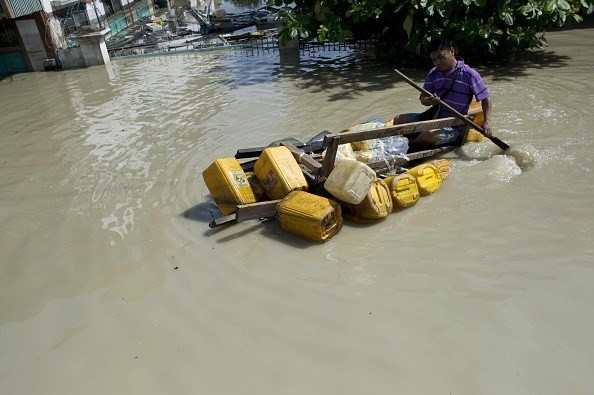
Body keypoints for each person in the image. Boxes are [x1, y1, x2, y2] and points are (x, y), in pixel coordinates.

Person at [391, 37, 492, 145]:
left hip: (453, 125)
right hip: (434, 117)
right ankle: (411, 141)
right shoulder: (434, 73)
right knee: (399, 120)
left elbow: (486, 99)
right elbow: (423, 99)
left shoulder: (470, 74)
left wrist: (487, 122)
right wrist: (430, 101)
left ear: (452, 51)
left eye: (441, 57)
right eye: (434, 60)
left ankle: (410, 146)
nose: (438, 62)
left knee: (428, 134)